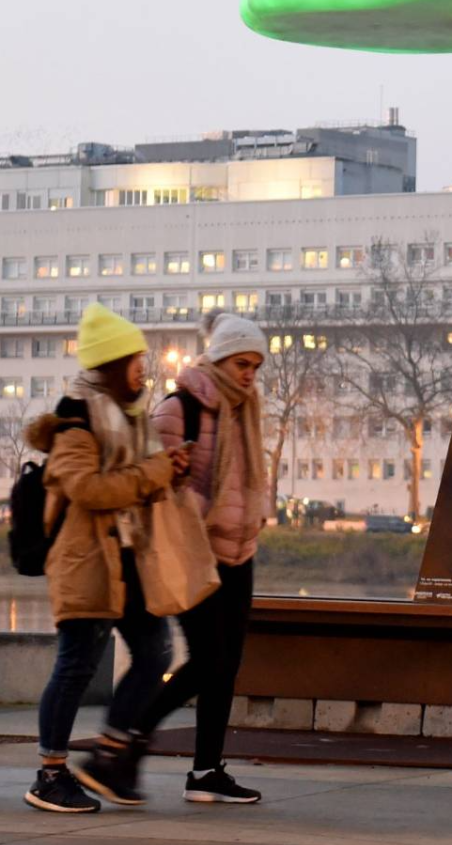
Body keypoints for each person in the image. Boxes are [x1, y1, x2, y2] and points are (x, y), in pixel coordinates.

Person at [23, 304, 190, 813]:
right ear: (113, 363)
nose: (144, 367)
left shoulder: (133, 418)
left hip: (128, 559)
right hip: (87, 560)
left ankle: (108, 757)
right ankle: (49, 775)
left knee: (156, 651)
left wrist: (169, 471)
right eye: (136, 358)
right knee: (76, 666)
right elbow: (90, 490)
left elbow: (135, 483)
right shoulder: (76, 421)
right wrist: (155, 472)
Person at [137, 310, 269, 803]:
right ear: (219, 358)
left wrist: (256, 517)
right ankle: (131, 734)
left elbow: (252, 476)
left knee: (227, 664)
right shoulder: (181, 407)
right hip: (196, 550)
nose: (250, 374)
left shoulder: (247, 408)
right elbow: (155, 477)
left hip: (240, 549)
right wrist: (197, 506)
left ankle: (206, 771)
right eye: (242, 362)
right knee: (207, 659)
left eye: (255, 364)